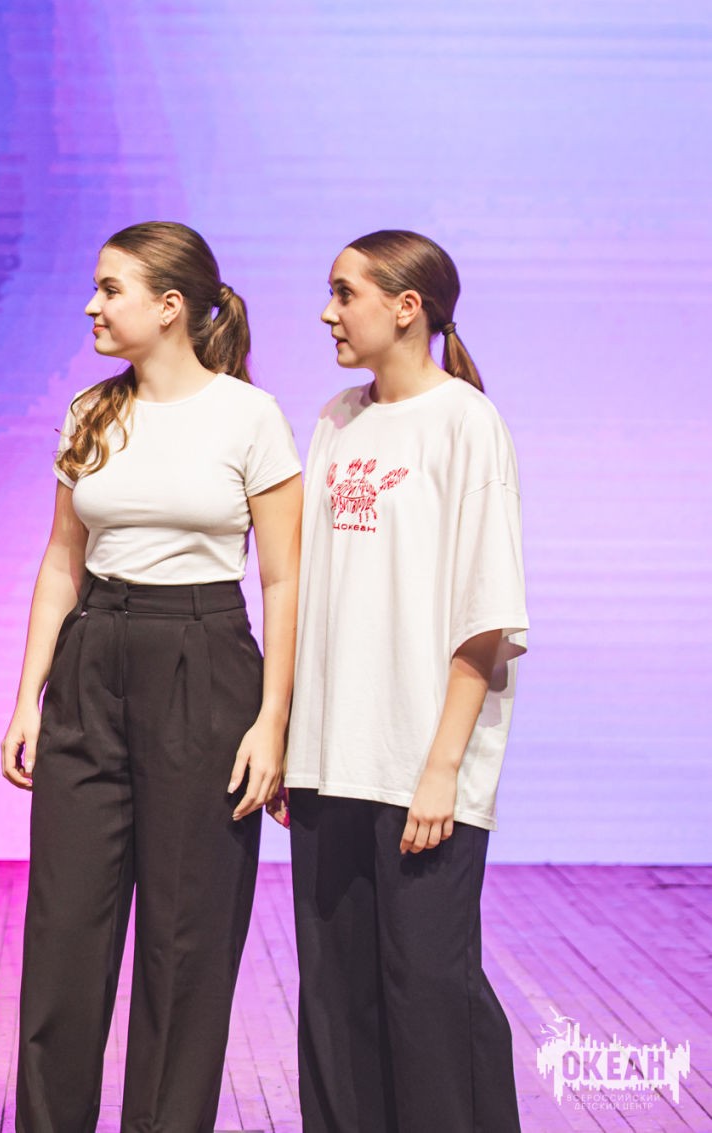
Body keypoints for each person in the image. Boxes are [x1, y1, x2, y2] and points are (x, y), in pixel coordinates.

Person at [2, 222, 303, 1131]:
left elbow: (284, 579)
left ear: (170, 306)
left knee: (185, 943)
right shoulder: (90, 411)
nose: (91, 306)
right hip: (92, 658)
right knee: (64, 934)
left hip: (203, 662)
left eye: (110, 289)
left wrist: (274, 719)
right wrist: (28, 696)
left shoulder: (250, 416)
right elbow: (62, 560)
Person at [286, 229, 528, 1133]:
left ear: (406, 307)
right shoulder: (336, 418)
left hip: (421, 767)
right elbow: (313, 590)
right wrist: (294, 740)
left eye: (344, 293)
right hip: (328, 761)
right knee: (336, 999)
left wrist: (442, 769)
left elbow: (485, 612)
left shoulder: (466, 422)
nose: (328, 312)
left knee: (431, 997)